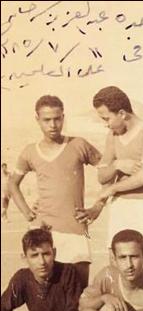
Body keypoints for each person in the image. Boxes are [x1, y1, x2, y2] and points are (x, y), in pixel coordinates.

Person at [8, 95, 104, 286]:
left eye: (57, 119)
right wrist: (27, 213)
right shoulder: (30, 151)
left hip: (75, 229)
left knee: (79, 291)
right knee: (44, 291)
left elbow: (108, 172)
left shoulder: (79, 144)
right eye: (46, 120)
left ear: (63, 117)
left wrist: (97, 207)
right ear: (37, 120)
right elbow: (12, 183)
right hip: (43, 231)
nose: (53, 125)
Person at [93, 86, 143, 273]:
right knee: (118, 277)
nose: (106, 124)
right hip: (120, 209)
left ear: (122, 113)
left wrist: (112, 189)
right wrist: (117, 164)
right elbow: (102, 176)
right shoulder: (112, 135)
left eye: (107, 119)